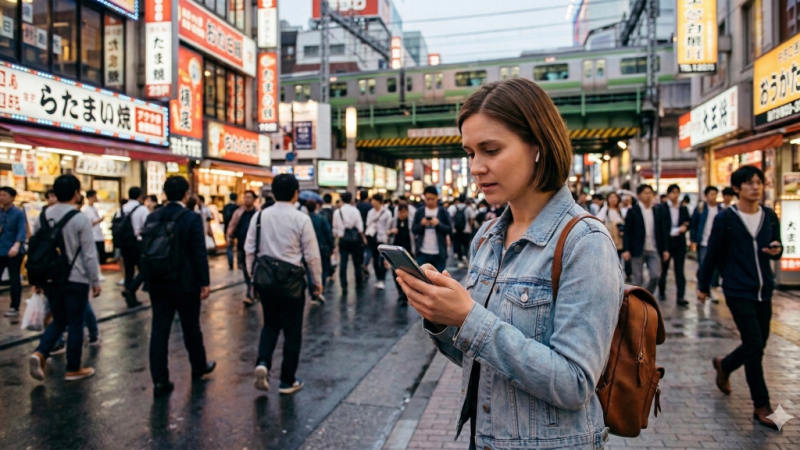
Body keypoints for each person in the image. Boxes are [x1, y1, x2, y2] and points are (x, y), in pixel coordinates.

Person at [396, 78, 622, 450]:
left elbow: (575, 382)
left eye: (491, 149)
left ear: (538, 146)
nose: (476, 167)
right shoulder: (487, 236)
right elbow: (478, 359)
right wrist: (441, 316)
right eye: (470, 153)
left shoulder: (585, 242)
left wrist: (469, 318)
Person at [697, 166, 782, 430]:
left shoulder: (769, 216)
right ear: (736, 188)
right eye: (748, 183)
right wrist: (703, 286)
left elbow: (776, 246)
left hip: (763, 289)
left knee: (759, 343)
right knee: (754, 344)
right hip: (736, 289)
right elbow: (711, 254)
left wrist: (777, 251)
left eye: (758, 182)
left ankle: (726, 364)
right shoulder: (727, 219)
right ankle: (762, 405)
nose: (755, 187)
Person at [245, 174, 322, 395]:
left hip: (266, 280)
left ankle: (263, 362)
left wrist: (252, 278)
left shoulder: (259, 216)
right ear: (296, 193)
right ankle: (287, 380)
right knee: (292, 331)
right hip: (292, 282)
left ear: (272, 193)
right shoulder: (301, 219)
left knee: (270, 324)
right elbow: (312, 255)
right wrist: (316, 282)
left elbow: (249, 249)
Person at [146, 176, 215, 397]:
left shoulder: (153, 216)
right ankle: (198, 366)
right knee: (191, 327)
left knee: (159, 330)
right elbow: (198, 251)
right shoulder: (191, 218)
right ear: (186, 194)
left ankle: (160, 379)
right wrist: (204, 281)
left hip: (158, 281)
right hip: (185, 282)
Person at [29, 175, 101, 382]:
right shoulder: (80, 219)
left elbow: (36, 249)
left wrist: (37, 281)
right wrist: (95, 281)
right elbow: (89, 254)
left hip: (50, 277)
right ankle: (73, 367)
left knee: (59, 319)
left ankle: (41, 352)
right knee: (76, 322)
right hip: (75, 278)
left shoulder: (42, 216)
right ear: (77, 193)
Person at [622, 184, 670, 295]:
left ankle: (646, 296)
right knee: (637, 279)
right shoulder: (633, 211)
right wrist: (626, 249)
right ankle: (637, 303)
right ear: (639, 195)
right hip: (637, 248)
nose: (648, 196)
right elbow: (627, 232)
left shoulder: (657, 211)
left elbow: (663, 231)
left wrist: (665, 249)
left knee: (655, 275)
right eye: (645, 193)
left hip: (653, 247)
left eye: (650, 193)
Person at [658, 184, 691, 307]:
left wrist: (685, 227)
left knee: (679, 270)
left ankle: (680, 296)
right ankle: (662, 292)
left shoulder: (683, 208)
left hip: (679, 243)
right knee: (664, 270)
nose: (675, 195)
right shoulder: (661, 208)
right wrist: (664, 248)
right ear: (668, 194)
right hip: (666, 243)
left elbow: (688, 221)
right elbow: (660, 228)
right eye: (672, 192)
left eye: (677, 192)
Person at [118, 187, 149, 307]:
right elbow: (146, 226)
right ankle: (131, 290)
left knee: (129, 270)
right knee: (144, 269)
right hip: (138, 242)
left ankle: (130, 298)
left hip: (125, 242)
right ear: (140, 196)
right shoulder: (142, 209)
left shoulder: (122, 208)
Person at [227, 190, 259, 306]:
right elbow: (233, 225)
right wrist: (229, 236)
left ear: (254, 200)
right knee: (246, 270)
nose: (246, 200)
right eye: (245, 197)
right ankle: (251, 291)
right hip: (241, 246)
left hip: (256, 248)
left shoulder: (258, 214)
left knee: (254, 270)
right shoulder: (239, 212)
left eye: (249, 197)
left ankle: (250, 294)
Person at [0, 187, 28, 317]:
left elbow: (21, 231)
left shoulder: (18, 213)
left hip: (14, 251)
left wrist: (17, 245)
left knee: (14, 279)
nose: (1, 197)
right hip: (1, 249)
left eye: (4, 195)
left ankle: (14, 306)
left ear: (12, 198)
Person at [690, 186, 721, 302]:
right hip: (703, 242)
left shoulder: (720, 209)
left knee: (715, 268)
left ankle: (712, 289)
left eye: (715, 194)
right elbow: (694, 224)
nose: (713, 197)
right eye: (711, 194)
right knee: (704, 265)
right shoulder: (701, 208)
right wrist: (693, 240)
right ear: (706, 196)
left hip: (717, 243)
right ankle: (702, 287)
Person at [412, 186, 452, 273]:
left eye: (432, 199)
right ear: (424, 198)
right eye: (427, 199)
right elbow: (414, 230)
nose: (430, 201)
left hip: (439, 253)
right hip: (422, 252)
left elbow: (450, 229)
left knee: (438, 280)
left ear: (437, 197)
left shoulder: (443, 212)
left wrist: (439, 224)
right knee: (422, 280)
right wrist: (421, 224)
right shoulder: (419, 211)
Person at [333, 191, 366, 292]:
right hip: (354, 240)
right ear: (351, 199)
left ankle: (344, 286)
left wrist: (336, 240)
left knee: (343, 262)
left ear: (342, 200)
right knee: (357, 263)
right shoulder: (355, 211)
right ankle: (359, 284)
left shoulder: (337, 212)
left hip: (343, 239)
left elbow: (335, 229)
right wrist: (363, 237)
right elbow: (360, 227)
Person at [306, 200, 333, 302]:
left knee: (309, 271)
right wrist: (332, 246)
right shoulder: (321, 219)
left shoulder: (305, 219)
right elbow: (328, 233)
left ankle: (312, 293)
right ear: (316, 207)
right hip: (322, 247)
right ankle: (320, 287)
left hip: (309, 248)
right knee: (324, 268)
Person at [365, 193, 393, 290]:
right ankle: (378, 278)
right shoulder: (370, 212)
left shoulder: (387, 212)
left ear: (378, 201)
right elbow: (368, 224)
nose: (371, 202)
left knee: (382, 260)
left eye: (373, 200)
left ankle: (382, 279)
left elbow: (389, 226)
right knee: (375, 260)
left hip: (383, 239)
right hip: (373, 238)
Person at [388, 204, 415, 303]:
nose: (403, 214)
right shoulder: (393, 221)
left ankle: (404, 294)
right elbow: (387, 233)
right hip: (394, 252)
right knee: (395, 273)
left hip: (408, 252)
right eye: (400, 212)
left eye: (405, 212)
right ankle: (400, 292)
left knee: (407, 273)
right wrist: (391, 231)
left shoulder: (411, 222)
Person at [596, 192, 625, 262]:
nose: (613, 199)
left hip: (620, 239)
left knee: (619, 260)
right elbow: (598, 220)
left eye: (615, 197)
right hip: (609, 238)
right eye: (611, 197)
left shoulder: (621, 210)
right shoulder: (605, 210)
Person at [448, 194, 475, 268]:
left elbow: (450, 218)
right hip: (466, 230)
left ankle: (459, 257)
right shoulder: (468, 208)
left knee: (457, 243)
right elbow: (472, 219)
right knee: (466, 244)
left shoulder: (453, 207)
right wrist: (470, 226)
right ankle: (464, 255)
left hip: (456, 229)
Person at [356, 189, 373, 277]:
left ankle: (361, 265)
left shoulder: (357, 205)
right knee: (369, 249)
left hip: (358, 231)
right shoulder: (369, 206)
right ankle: (365, 264)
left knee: (361, 250)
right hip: (367, 230)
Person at [222, 193, 239, 270]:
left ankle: (230, 263)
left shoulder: (226, 207)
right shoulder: (238, 208)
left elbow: (224, 218)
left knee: (229, 247)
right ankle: (239, 263)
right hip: (237, 229)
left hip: (227, 229)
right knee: (239, 246)